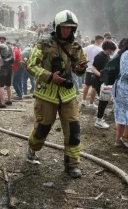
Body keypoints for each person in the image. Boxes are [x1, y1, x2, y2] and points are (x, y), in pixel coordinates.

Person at [26, 10, 87, 178]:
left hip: (68, 95)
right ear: (57, 27)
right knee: (42, 129)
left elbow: (78, 68)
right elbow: (31, 65)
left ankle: (72, 164)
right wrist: (49, 76)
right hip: (46, 94)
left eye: (70, 28)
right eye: (64, 28)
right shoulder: (44, 44)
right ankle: (32, 148)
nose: (67, 31)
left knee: (74, 129)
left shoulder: (76, 47)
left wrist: (80, 69)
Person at [90, 41, 117, 129]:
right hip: (99, 81)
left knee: (104, 100)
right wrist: (101, 75)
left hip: (105, 81)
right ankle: (98, 121)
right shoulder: (100, 56)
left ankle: (99, 117)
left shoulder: (107, 56)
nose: (113, 52)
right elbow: (93, 68)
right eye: (112, 50)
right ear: (109, 49)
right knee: (103, 100)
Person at [81, 35, 104, 109]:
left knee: (86, 85)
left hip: (88, 69)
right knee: (94, 87)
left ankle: (83, 100)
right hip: (95, 70)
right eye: (101, 41)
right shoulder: (99, 50)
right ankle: (91, 103)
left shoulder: (88, 47)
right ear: (99, 40)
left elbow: (84, 55)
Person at [0, 36, 14, 108]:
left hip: (3, 67)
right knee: (8, 85)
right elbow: (13, 57)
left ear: (1, 40)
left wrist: (0, 62)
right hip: (10, 67)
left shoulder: (0, 46)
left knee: (1, 85)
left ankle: (2, 103)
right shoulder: (10, 46)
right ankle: (9, 100)